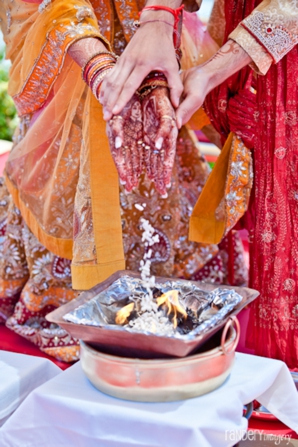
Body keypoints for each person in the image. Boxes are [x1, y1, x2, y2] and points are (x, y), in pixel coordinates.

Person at [0, 0, 247, 362]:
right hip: (71, 55)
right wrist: (102, 73)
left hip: (154, 33)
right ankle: (69, 300)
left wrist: (159, 26)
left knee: (157, 150)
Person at [173, 0, 298, 369]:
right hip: (252, 61)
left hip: (277, 60)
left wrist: (211, 72)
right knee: (274, 219)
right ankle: (279, 368)